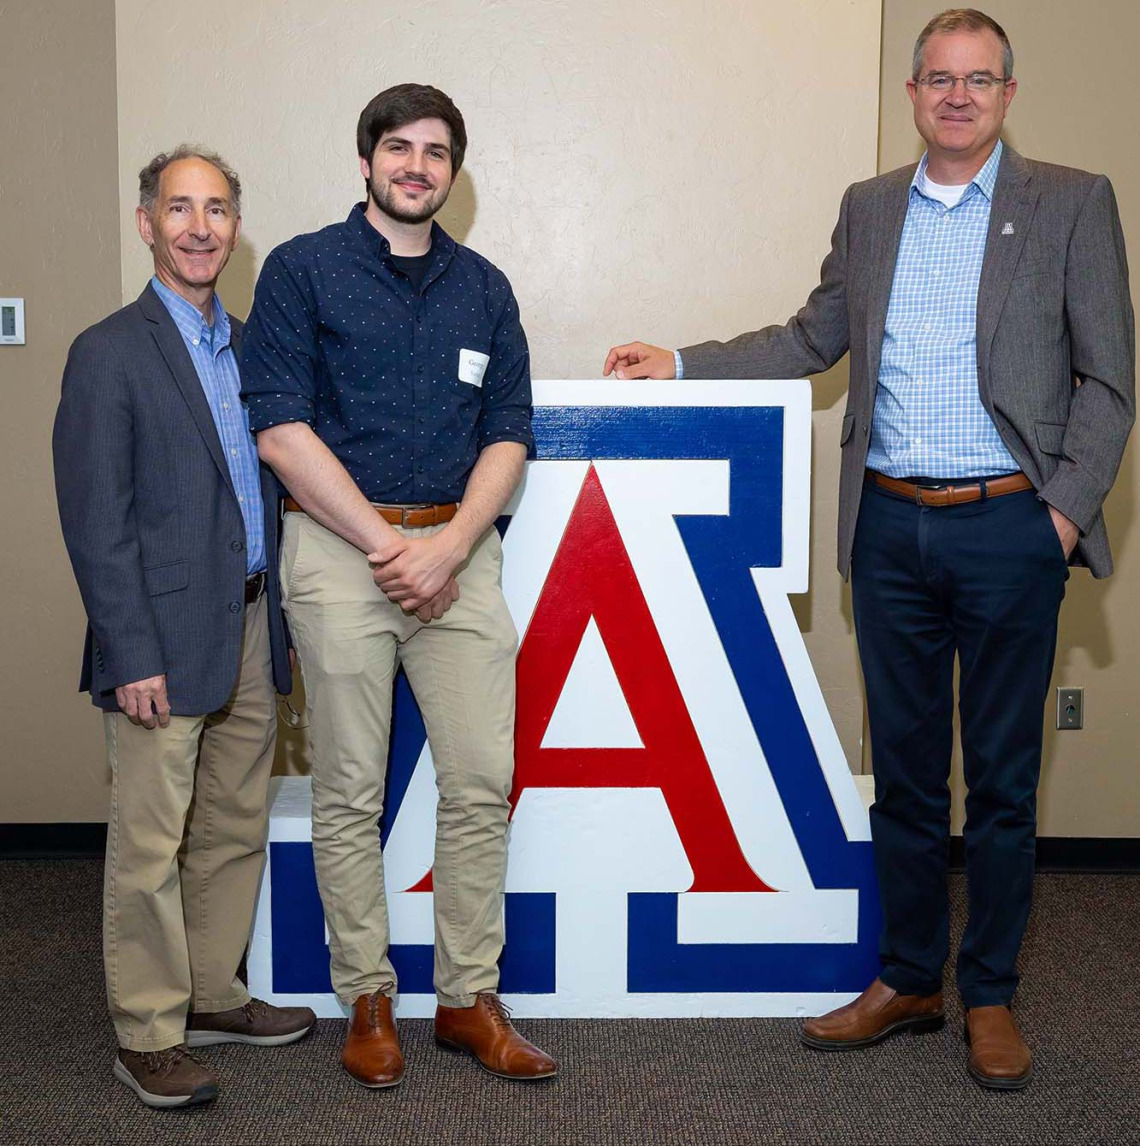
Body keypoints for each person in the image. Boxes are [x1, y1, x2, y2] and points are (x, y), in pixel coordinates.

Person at [603, 8, 1133, 1090]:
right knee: (902, 777)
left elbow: (1109, 380)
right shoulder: (872, 207)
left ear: (1007, 95)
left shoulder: (1073, 201)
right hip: (888, 528)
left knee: (1000, 782)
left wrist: (1060, 517)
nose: (957, 95)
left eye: (978, 80)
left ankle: (990, 995)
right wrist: (684, 363)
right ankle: (909, 978)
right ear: (912, 94)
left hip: (1009, 528)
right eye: (938, 77)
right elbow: (813, 336)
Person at [241, 83, 556, 1086]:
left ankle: (468, 999)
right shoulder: (302, 272)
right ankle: (367, 999)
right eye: (399, 148)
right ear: (368, 158)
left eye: (436, 152)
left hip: (458, 556)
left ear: (453, 174)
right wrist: (388, 545)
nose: (416, 165)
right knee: (348, 790)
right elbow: (280, 429)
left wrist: (452, 543)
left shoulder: (485, 289)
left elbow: (510, 431)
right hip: (341, 554)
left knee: (478, 784)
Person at [53, 147, 314, 1109]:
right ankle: (149, 1032)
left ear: (235, 226)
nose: (199, 227)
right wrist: (128, 651)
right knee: (151, 842)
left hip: (250, 624)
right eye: (179, 209)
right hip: (157, 642)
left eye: (216, 210)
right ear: (145, 222)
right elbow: (95, 520)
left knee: (235, 827)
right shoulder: (108, 350)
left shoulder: (253, 348)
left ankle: (211, 995)